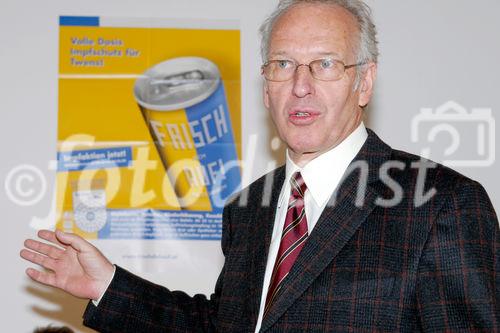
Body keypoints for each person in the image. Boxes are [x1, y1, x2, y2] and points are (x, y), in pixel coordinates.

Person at [21, 0, 499, 332]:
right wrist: (106, 285)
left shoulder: (443, 204)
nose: (301, 85)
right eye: (283, 65)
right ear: (265, 84)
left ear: (365, 82)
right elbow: (226, 325)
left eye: (326, 64)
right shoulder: (248, 208)